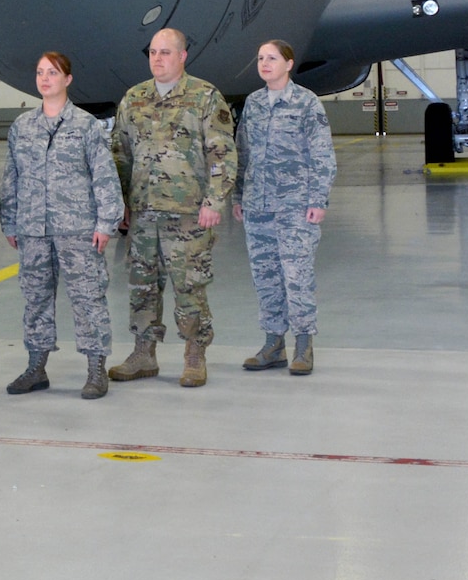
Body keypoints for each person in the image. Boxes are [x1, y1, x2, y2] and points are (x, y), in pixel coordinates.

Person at [110, 28, 238, 388]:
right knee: (142, 286)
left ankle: (195, 352)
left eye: (166, 52)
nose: (157, 59)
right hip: (143, 211)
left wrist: (214, 201)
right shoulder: (134, 98)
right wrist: (119, 202)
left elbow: (222, 153)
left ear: (183, 56)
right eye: (152, 52)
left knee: (189, 285)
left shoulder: (204, 97)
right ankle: (143, 352)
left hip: (188, 215)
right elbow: (119, 154)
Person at [0, 51, 124, 399]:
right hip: (33, 230)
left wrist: (106, 222)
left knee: (88, 299)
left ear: (67, 79)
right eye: (40, 72)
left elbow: (104, 177)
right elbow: (12, 178)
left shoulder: (85, 126)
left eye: (52, 72)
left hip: (77, 229)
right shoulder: (22, 127)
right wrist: (9, 219)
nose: (45, 78)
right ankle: (36, 366)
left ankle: (96, 368)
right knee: (35, 299)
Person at [234, 39, 337, 376]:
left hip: (295, 206)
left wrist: (318, 200)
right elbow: (243, 153)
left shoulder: (306, 103)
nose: (264, 63)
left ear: (289, 64)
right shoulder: (253, 103)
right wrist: (238, 196)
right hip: (258, 205)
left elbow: (322, 155)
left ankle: (304, 344)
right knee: (266, 276)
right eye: (261, 58)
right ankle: (273, 344)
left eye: (272, 58)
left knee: (297, 276)